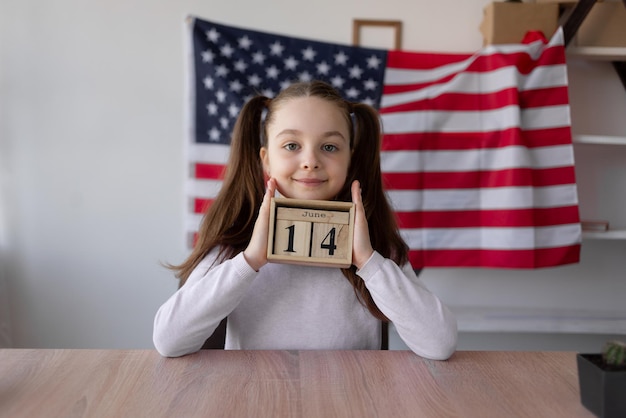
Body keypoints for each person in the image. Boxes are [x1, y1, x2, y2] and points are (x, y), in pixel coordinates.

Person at [153, 80, 457, 359]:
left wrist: (368, 262)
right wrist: (249, 261)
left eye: (329, 147)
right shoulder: (234, 244)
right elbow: (168, 340)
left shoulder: (374, 249)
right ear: (266, 159)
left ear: (350, 158)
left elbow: (440, 344)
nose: (311, 160)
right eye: (291, 146)